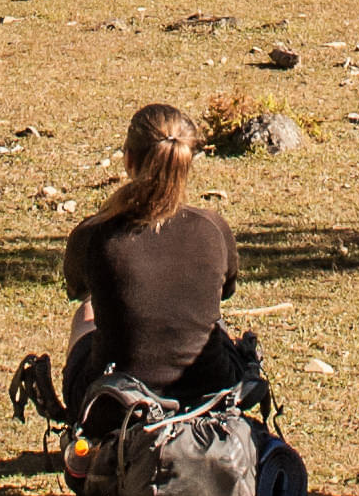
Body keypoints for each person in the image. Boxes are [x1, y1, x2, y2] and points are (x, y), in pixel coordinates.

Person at [59, 103, 242, 409]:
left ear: (128, 159)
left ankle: (89, 434)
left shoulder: (94, 233)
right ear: (186, 162)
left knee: (86, 312)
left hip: (112, 404)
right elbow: (225, 292)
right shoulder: (213, 228)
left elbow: (77, 290)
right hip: (210, 395)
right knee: (215, 320)